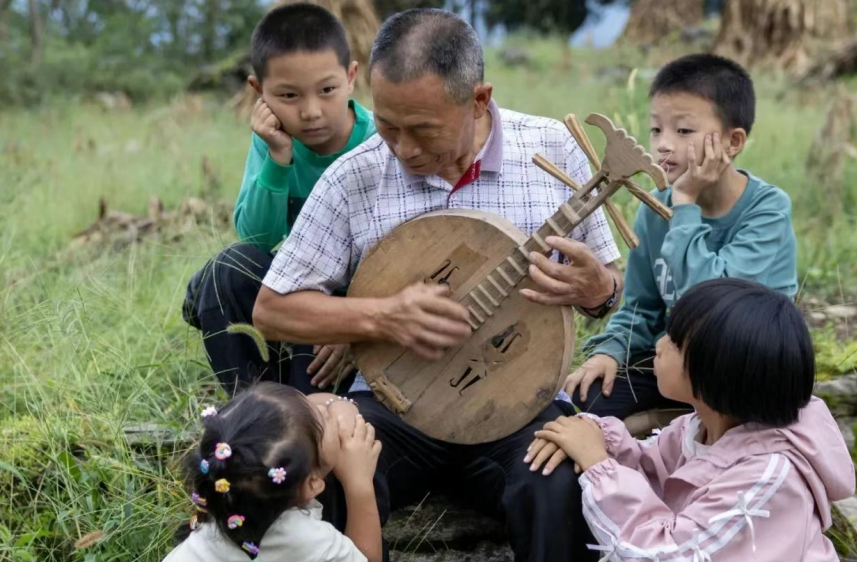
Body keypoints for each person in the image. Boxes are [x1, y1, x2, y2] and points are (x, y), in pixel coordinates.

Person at [251, 8, 624, 561]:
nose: (401, 147)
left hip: (520, 406)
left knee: (557, 483)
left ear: (478, 100)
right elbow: (272, 308)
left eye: (422, 129)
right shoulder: (357, 174)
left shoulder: (554, 152)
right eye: (387, 123)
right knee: (318, 476)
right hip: (394, 406)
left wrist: (598, 290)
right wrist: (380, 316)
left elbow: (610, 288)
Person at [527, 278, 855, 561]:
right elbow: (650, 469)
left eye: (675, 342)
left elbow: (667, 555)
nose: (658, 346)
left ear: (717, 374)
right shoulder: (699, 429)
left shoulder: (768, 477)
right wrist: (597, 436)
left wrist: (598, 465)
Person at [565, 54, 799, 420]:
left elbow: (714, 305)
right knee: (587, 399)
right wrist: (609, 350)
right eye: (657, 129)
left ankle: (665, 423)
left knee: (721, 405)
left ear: (733, 141)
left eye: (683, 131)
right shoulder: (656, 209)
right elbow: (641, 306)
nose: (663, 145)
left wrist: (686, 203)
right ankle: (663, 424)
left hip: (741, 369)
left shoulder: (767, 210)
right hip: (676, 362)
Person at [182, 2, 377, 396]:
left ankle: (298, 412)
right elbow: (256, 240)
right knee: (226, 272)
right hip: (295, 303)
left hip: (360, 318)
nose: (310, 112)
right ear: (259, 91)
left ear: (351, 76)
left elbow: (403, 255)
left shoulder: (379, 144)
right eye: (289, 95)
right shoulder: (273, 140)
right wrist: (277, 159)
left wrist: (353, 327)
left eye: (327, 90)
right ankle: (251, 406)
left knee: (312, 402)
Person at [164, 382, 382, 562]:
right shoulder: (309, 540)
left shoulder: (210, 528)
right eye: (323, 421)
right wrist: (359, 484)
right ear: (312, 483)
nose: (326, 409)